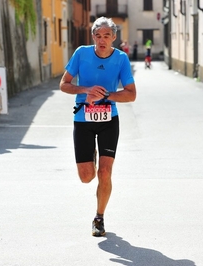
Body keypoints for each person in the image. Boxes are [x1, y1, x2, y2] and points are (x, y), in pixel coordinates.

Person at [59, 17, 137, 237]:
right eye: (98, 36)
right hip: (83, 119)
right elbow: (64, 84)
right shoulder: (81, 54)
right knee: (86, 177)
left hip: (108, 121)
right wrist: (86, 90)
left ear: (114, 37)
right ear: (92, 36)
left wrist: (105, 95)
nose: (102, 40)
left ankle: (99, 217)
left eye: (106, 36)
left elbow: (131, 94)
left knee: (105, 172)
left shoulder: (121, 59)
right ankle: (91, 156)